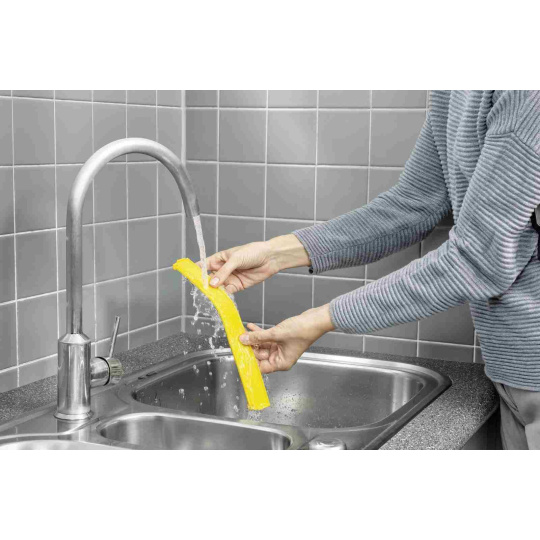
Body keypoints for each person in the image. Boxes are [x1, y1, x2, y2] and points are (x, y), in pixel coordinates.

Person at [202, 91, 540, 450]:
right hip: (513, 375)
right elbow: (413, 206)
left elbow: (478, 259)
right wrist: (275, 254)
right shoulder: (454, 91)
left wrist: (318, 320)